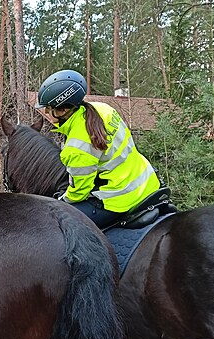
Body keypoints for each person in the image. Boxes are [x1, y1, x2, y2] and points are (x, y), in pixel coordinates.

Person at [35, 69, 160, 229]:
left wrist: (62, 201)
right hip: (146, 181)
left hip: (119, 197)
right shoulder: (103, 109)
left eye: (49, 108)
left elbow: (80, 191)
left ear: (63, 110)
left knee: (58, 225)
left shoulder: (76, 146)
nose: (46, 112)